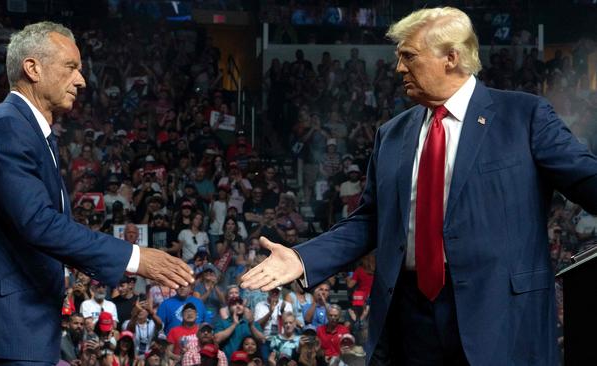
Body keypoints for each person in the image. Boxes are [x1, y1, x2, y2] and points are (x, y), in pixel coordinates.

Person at [241, 7, 597, 365]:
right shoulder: (392, 134)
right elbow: (369, 221)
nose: (398, 68)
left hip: (501, 318)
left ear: (451, 57)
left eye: (408, 56)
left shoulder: (525, 116)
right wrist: (304, 258)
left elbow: (586, 179)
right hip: (410, 322)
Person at [0, 22, 194, 365]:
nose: (81, 80)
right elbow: (38, 223)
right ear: (32, 68)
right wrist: (136, 258)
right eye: (71, 67)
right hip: (3, 332)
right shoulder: (5, 128)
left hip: (20, 326)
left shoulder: (33, 132)